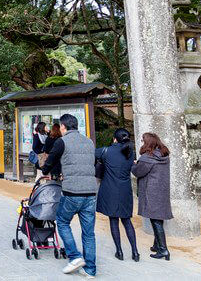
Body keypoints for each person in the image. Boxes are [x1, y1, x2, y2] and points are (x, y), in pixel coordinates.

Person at [40, 113, 97, 279]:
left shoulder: (61, 141)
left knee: (63, 222)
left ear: (63, 127)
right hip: (91, 192)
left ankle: (75, 256)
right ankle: (91, 270)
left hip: (72, 192)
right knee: (89, 233)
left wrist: (45, 170)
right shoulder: (89, 141)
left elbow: (50, 162)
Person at [96, 128, 139, 261]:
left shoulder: (106, 151)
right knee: (127, 221)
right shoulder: (130, 153)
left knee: (113, 220)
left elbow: (94, 155)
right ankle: (135, 252)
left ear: (115, 139)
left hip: (110, 189)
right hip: (125, 190)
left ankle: (119, 251)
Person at [131, 132, 173, 261]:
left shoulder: (147, 158)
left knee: (155, 220)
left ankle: (164, 249)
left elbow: (138, 172)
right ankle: (157, 245)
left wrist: (134, 164)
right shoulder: (164, 156)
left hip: (151, 191)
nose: (142, 143)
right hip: (162, 191)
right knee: (158, 218)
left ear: (148, 143)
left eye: (143, 141)